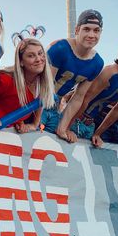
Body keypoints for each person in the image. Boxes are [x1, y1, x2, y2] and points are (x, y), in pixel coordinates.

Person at [44, 9, 104, 143]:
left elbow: (78, 97)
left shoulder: (97, 62)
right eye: (87, 29)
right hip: (37, 99)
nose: (91, 35)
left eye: (96, 30)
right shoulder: (60, 48)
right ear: (77, 30)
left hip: (56, 103)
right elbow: (44, 86)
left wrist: (63, 127)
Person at [0, 36, 55, 131]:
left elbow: (35, 118)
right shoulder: (6, 80)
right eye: (31, 55)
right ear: (21, 62)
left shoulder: (41, 88)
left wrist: (24, 123)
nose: (38, 59)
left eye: (40, 53)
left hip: (6, 136)